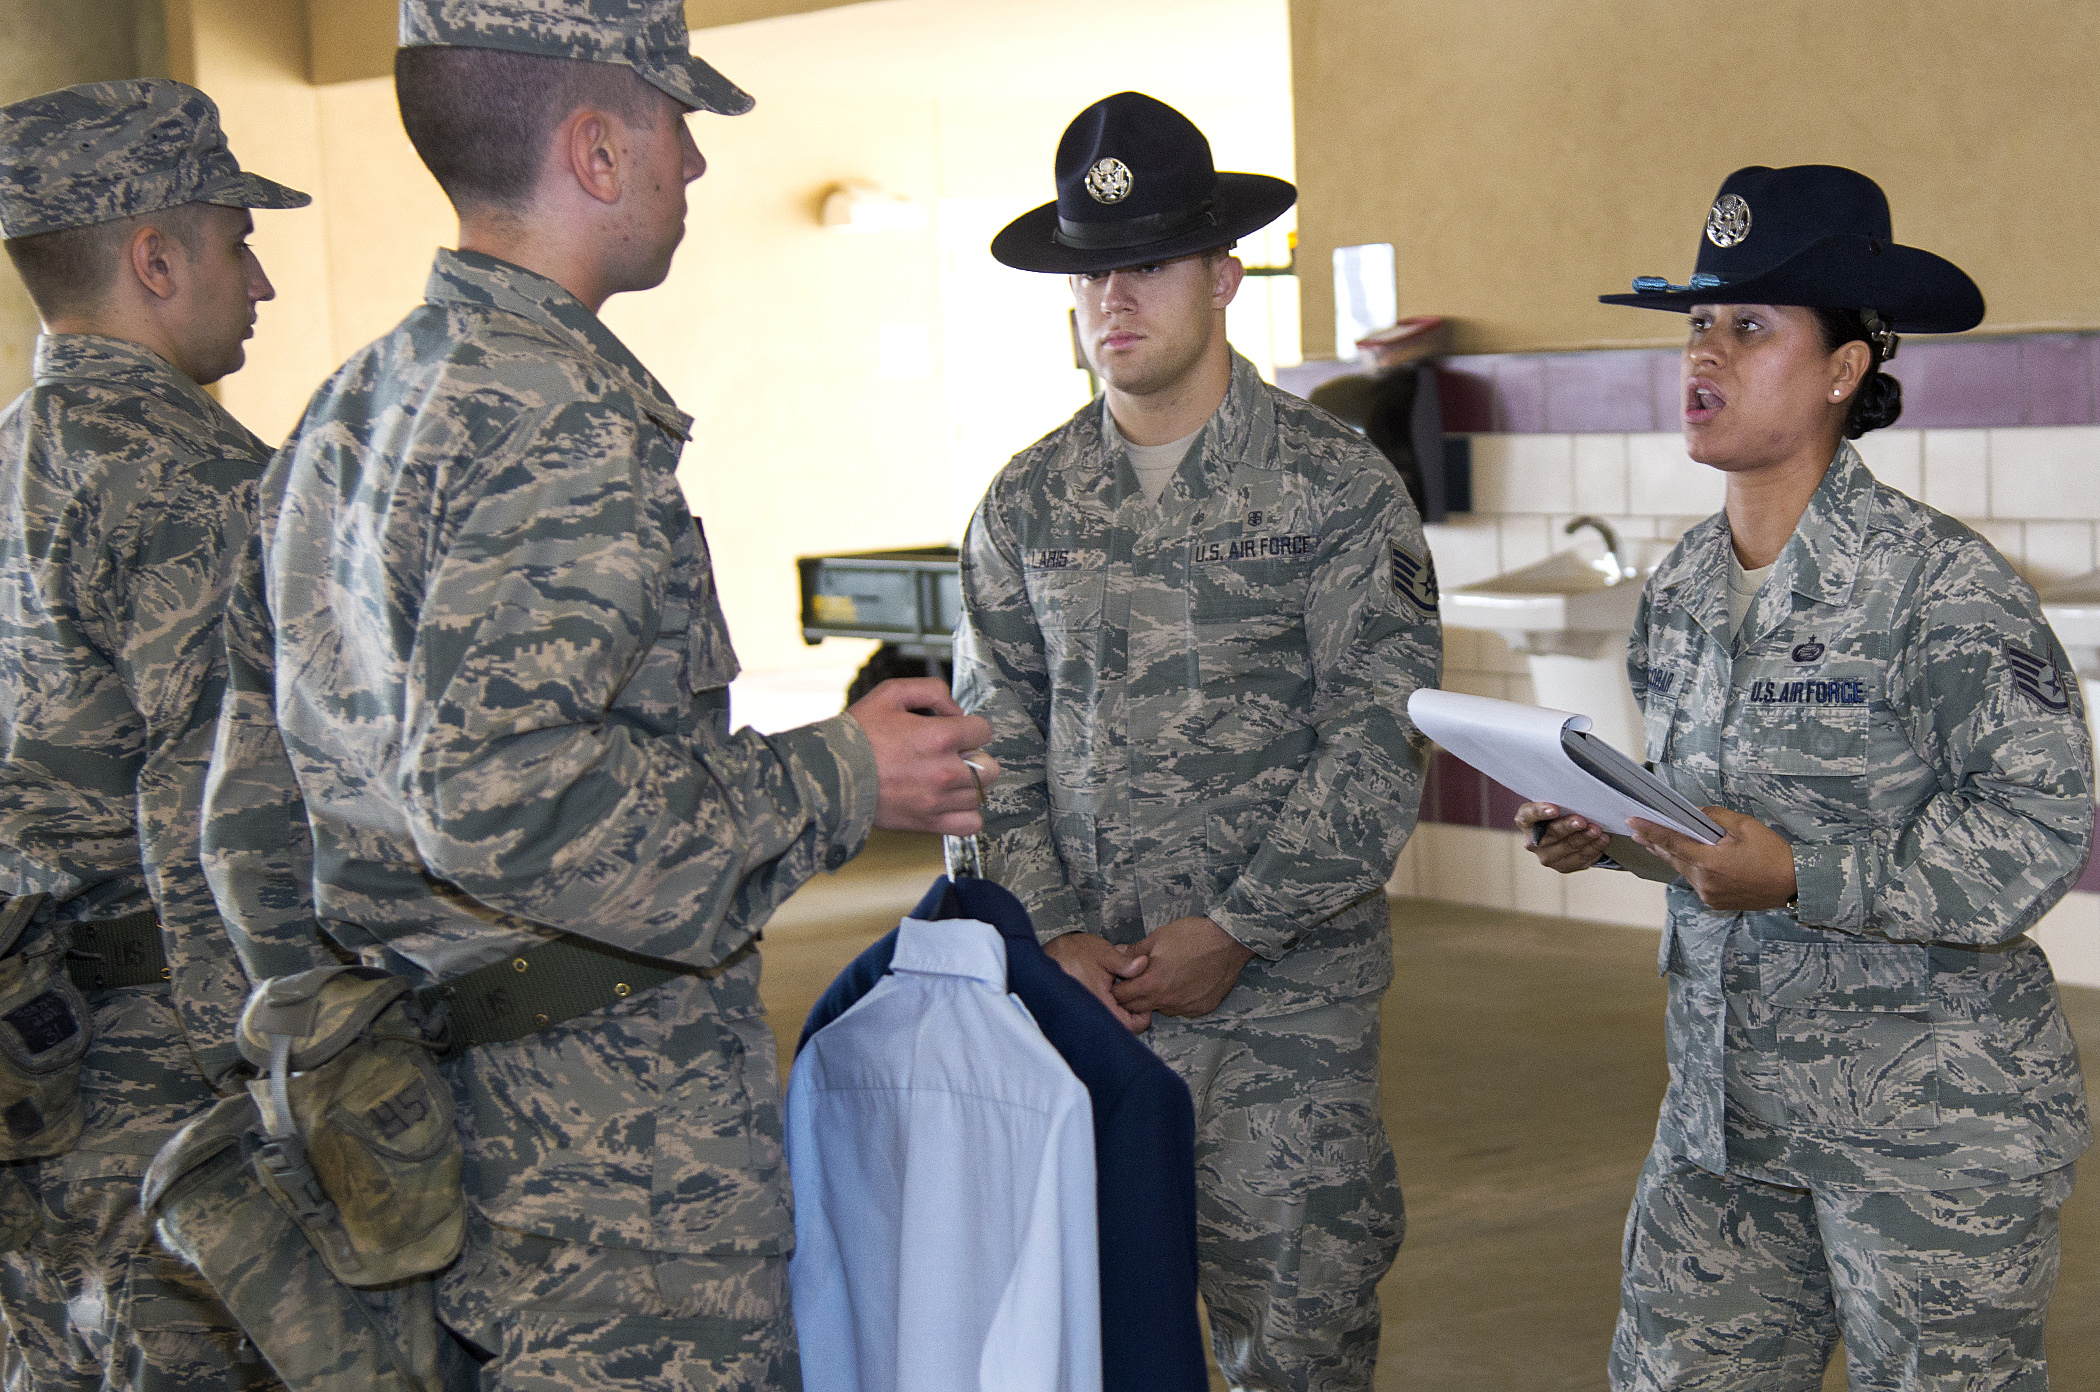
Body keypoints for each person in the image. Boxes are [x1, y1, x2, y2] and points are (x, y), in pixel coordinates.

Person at [197, 2, 997, 1386]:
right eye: (677, 126)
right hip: (612, 1154)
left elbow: (245, 805)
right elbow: (503, 795)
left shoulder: (353, 407)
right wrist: (844, 773)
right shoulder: (555, 414)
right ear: (598, 150)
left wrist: (327, 1048)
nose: (695, 164)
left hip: (423, 1107)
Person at [1519, 164, 2092, 1389]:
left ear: (1844, 368)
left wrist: (1801, 875)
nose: (1705, 356)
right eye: (1698, 325)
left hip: (1928, 1136)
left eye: (1750, 325)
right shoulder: (1677, 589)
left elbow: (2039, 827)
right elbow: (1705, 827)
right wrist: (1612, 828)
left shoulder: (1943, 586)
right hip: (1726, 1123)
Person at [960, 91, 1442, 1390]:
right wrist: (1049, 928)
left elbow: (1377, 741)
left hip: (1283, 1027)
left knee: (1297, 1347)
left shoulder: (1337, 489)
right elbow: (988, 735)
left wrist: (1238, 922)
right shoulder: (1026, 500)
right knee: (1095, 1348)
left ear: (1226, 276)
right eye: (1091, 271)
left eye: (1151, 262)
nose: (1116, 297)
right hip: (1080, 1020)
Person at [0, 78, 309, 1390]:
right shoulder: (202, 480)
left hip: (32, 1057)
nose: (263, 283)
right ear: (156, 257)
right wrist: (289, 1099)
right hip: (167, 1084)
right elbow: (220, 826)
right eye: (241, 241)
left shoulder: (15, 453)